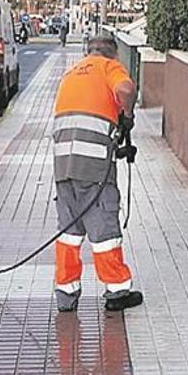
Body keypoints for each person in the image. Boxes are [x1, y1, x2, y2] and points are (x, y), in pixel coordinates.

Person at [52, 37, 143, 312]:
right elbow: (126, 89)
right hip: (93, 168)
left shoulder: (72, 73)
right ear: (113, 55)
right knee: (104, 226)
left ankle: (66, 294)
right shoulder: (108, 68)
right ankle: (116, 290)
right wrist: (127, 113)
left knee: (69, 231)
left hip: (64, 165)